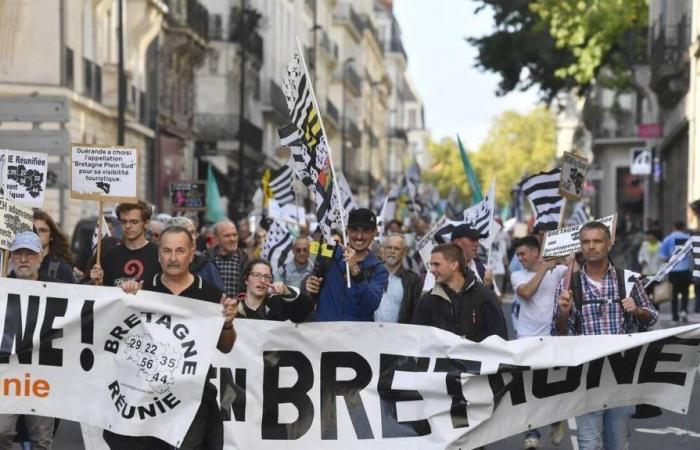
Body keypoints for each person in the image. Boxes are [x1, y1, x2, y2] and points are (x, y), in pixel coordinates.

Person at [108, 226, 237, 450]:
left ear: (191, 252)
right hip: (147, 401)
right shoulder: (143, 291)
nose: (173, 258)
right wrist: (125, 300)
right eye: (167, 251)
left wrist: (227, 324)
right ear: (159, 254)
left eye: (180, 250)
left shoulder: (210, 295)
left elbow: (225, 347)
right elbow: (117, 337)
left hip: (192, 400)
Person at [552, 221, 658, 450]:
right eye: (586, 242)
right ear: (580, 246)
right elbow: (558, 333)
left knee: (617, 443)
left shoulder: (628, 279)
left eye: (597, 241)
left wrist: (638, 310)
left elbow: (652, 317)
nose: (591, 246)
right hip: (586, 377)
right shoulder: (568, 284)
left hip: (621, 376)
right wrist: (563, 313)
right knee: (588, 445)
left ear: (609, 244)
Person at [0, 232, 58, 449]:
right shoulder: (2, 287)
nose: (23, 260)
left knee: (41, 440)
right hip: (7, 373)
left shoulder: (59, 289)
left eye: (30, 254)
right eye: (18, 254)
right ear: (11, 256)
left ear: (41, 255)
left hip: (42, 374)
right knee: (1, 431)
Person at [511, 236, 567, 449]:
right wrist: (544, 268)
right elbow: (526, 292)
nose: (520, 258)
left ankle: (555, 419)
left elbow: (576, 273)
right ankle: (531, 433)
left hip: (552, 338)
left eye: (523, 254)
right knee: (528, 388)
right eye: (517, 255)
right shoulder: (517, 274)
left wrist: (567, 258)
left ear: (536, 252)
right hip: (526, 339)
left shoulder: (557, 271)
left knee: (549, 385)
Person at [305, 208, 389, 321]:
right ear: (347, 231)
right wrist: (310, 286)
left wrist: (356, 271)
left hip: (356, 335)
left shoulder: (379, 269)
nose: (359, 236)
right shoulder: (329, 252)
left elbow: (371, 305)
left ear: (374, 233)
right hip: (325, 334)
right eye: (355, 229)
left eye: (365, 231)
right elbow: (310, 290)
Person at [412, 243, 507, 341]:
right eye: (431, 265)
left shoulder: (485, 297)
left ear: (454, 265)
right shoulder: (428, 300)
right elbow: (417, 341)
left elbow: (499, 340)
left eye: (436, 264)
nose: (431, 270)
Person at [90, 201, 159, 287]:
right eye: (123, 222)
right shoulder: (111, 255)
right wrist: (97, 282)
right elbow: (106, 293)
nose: (127, 226)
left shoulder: (158, 253)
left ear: (146, 224)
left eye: (134, 222)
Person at [236, 258, 314, 321]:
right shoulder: (232, 307)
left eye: (267, 277)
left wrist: (286, 292)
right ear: (246, 279)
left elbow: (306, 310)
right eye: (256, 275)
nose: (263, 281)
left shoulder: (277, 305)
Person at [168, 216, 225, 291]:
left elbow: (220, 296)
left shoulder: (206, 266)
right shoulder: (161, 265)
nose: (193, 238)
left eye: (193, 233)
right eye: (188, 233)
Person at [374, 234, 421, 323]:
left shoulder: (412, 280)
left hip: (400, 334)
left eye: (396, 248)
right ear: (384, 250)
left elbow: (415, 313)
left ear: (404, 252)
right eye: (389, 247)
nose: (392, 251)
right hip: (372, 332)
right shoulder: (371, 274)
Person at [659, 221, 692, 323]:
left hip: (673, 271)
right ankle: (684, 311)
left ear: (673, 226)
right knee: (685, 293)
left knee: (674, 295)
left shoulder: (667, 239)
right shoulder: (689, 239)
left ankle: (675, 316)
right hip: (686, 270)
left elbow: (663, 257)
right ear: (683, 227)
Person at [33, 209, 77, 283]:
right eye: (33, 230)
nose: (36, 234)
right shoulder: (19, 264)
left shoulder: (62, 268)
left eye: (42, 230)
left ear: (51, 236)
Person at [208, 219, 249, 297]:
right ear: (216, 238)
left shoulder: (246, 261)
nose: (232, 239)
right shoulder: (205, 260)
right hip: (212, 307)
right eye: (227, 236)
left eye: (234, 235)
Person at [450, 224, 495, 289]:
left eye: (477, 240)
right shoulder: (439, 269)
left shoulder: (484, 270)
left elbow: (497, 299)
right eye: (472, 240)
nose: (477, 244)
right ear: (456, 242)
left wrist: (489, 287)